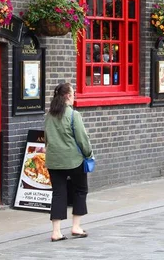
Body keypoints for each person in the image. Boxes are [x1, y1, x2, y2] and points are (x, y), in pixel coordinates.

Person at [45, 83, 93, 242]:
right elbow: (82, 139)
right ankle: (76, 227)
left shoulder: (49, 115)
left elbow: (46, 139)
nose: (74, 97)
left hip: (53, 160)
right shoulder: (73, 115)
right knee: (80, 190)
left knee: (58, 193)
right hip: (73, 160)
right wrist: (88, 154)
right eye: (73, 94)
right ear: (67, 96)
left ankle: (56, 232)